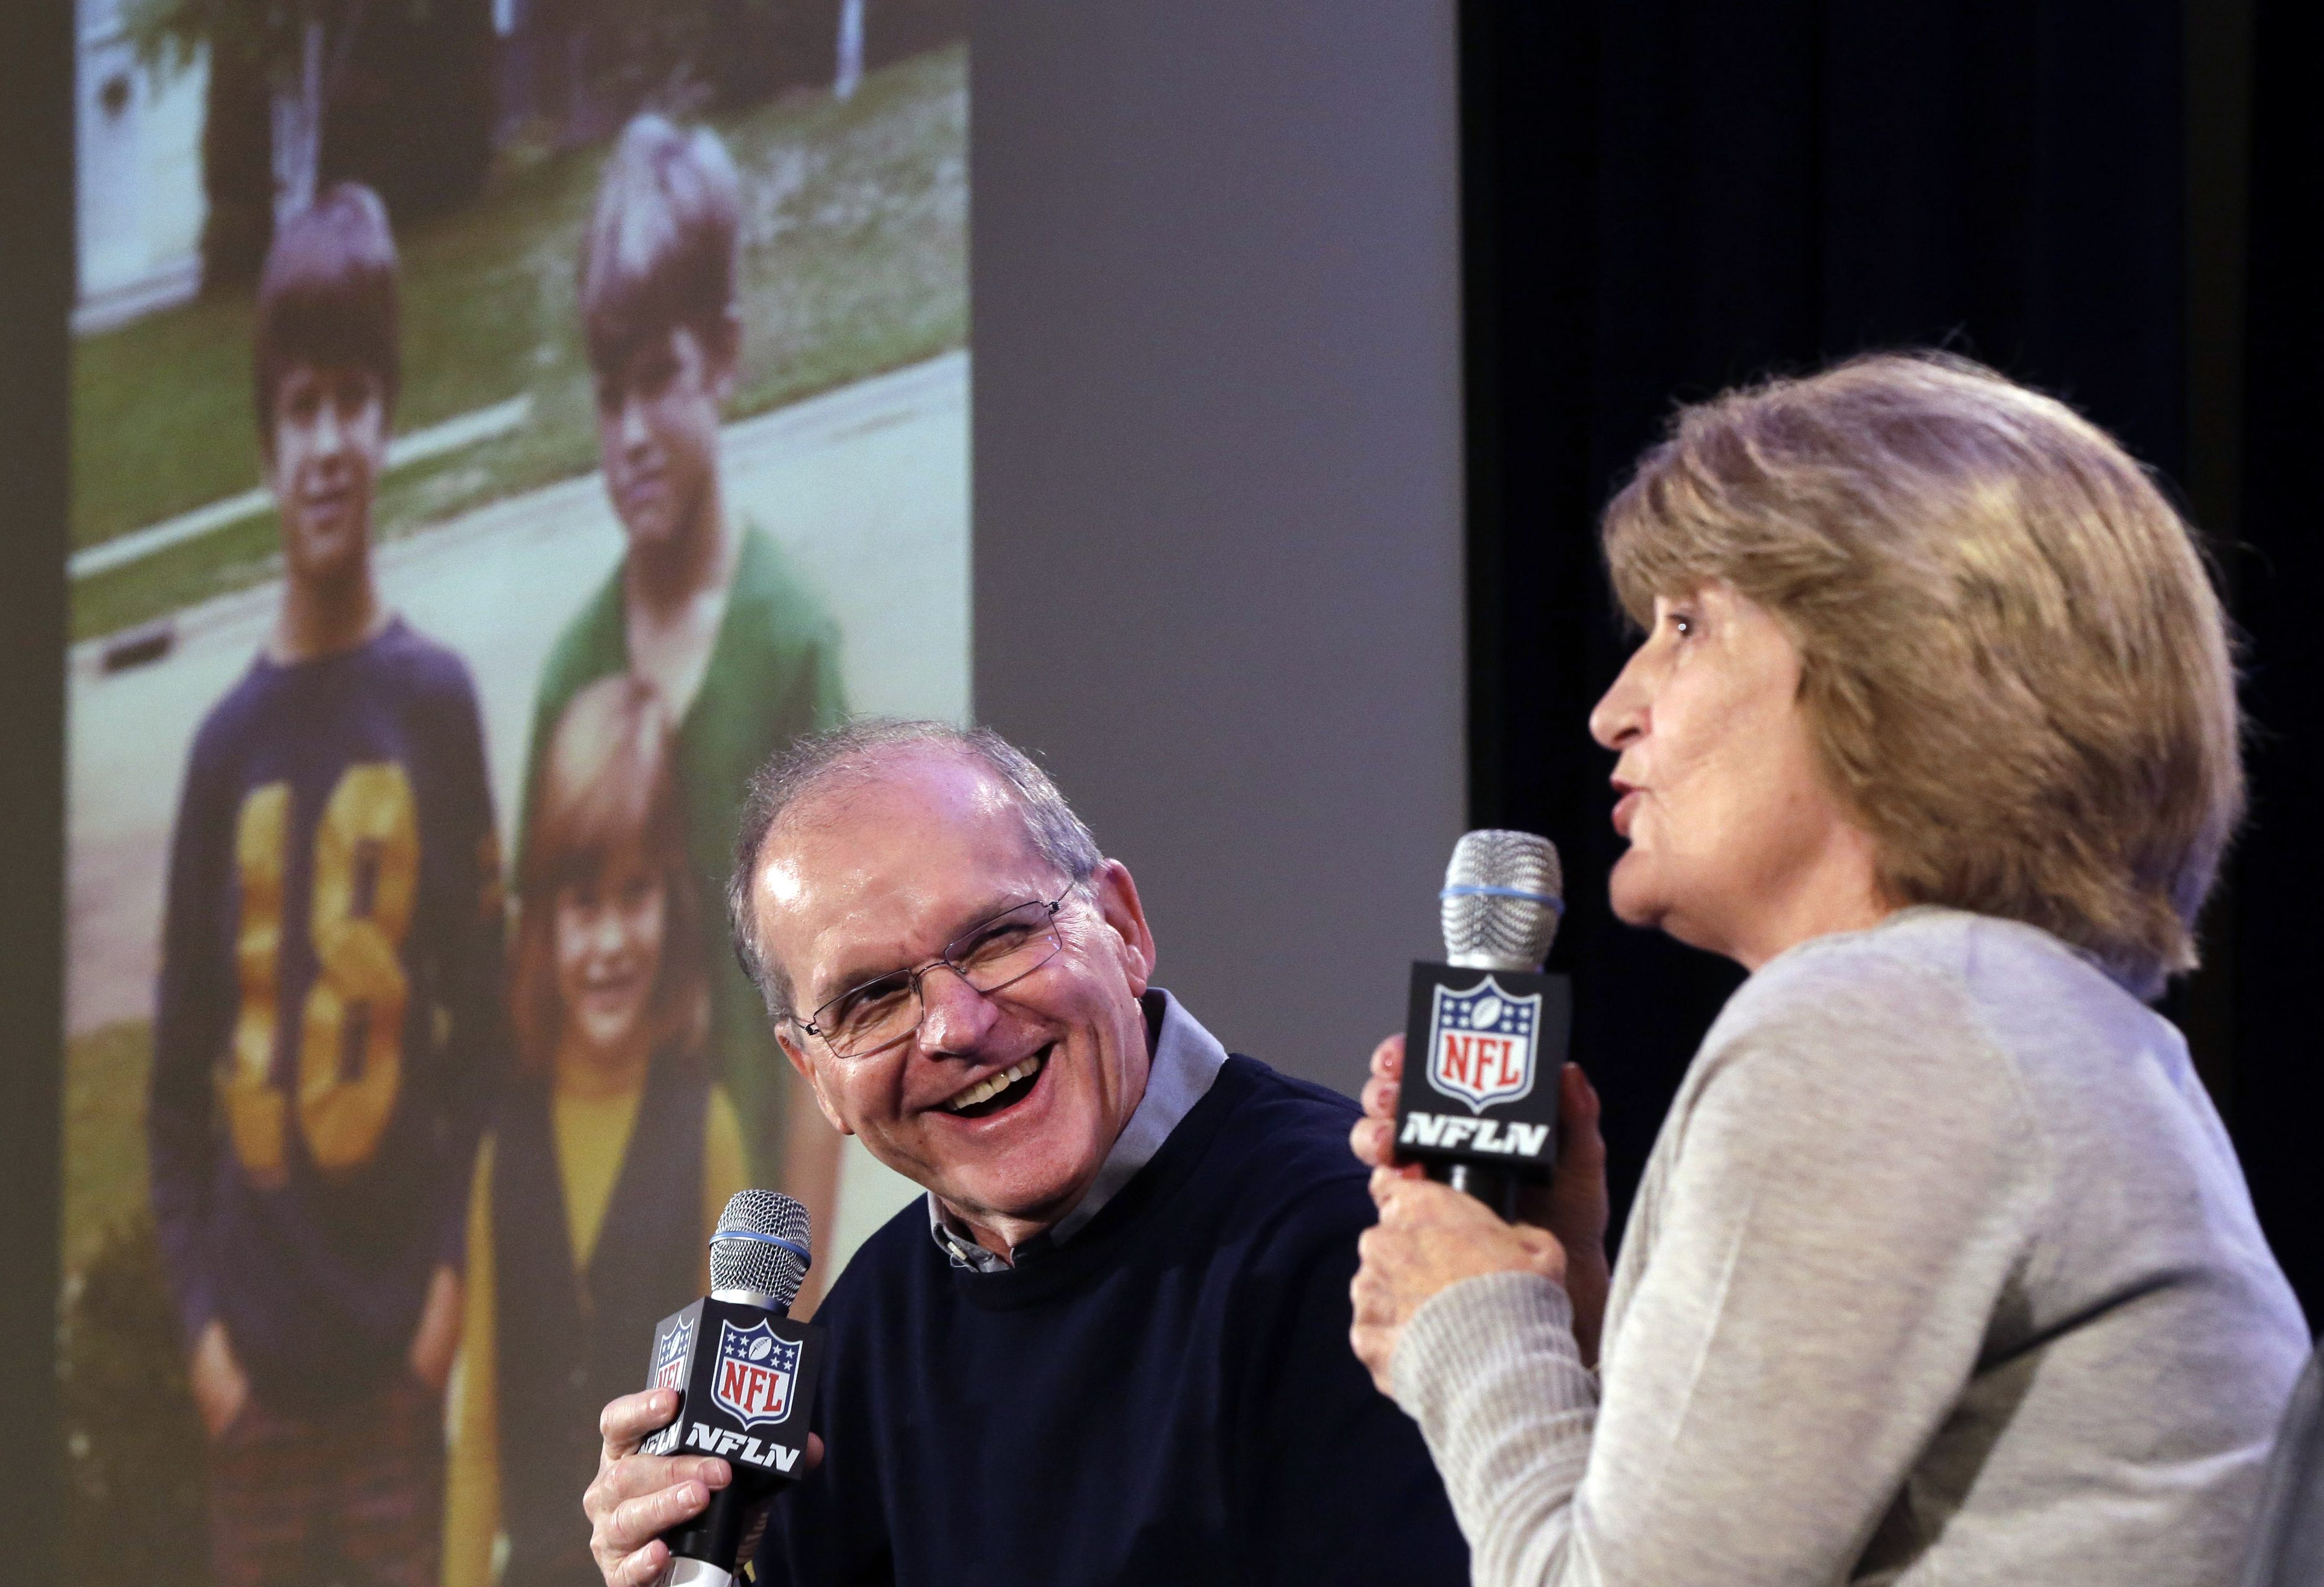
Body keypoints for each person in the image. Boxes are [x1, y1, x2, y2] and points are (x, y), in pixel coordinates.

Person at [1347, 351, 2311, 1585]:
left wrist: (1468, 1320)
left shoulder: (1885, 1021)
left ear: (1896, 666)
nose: (1611, 707)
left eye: (1685, 627)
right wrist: (1574, 1320)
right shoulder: (2005, 1017)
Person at [580, 721, 1470, 1586]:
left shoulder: (1357, 1242)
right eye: (873, 998)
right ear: (814, 1074)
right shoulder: (869, 1325)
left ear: (1122, 927)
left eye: (999, 938)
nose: (955, 1027)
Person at [146, 183, 507, 1587]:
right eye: (301, 408)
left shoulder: (432, 703)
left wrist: (441, 1307)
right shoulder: (223, 746)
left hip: (387, 1381)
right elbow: (177, 1091)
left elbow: (483, 1046)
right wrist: (205, 1341)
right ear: (265, 446)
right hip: (255, 1381)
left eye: (355, 401)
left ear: (388, 424)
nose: (328, 444)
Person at [517, 113, 848, 1270]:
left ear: (724, 355)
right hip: (596, 1246)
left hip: (747, 1244)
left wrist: (797, 1301)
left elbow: (836, 1007)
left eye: (659, 381)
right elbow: (535, 1006)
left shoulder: (789, 641)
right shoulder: (574, 666)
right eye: (609, 397)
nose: (633, 436)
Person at [444, 675, 750, 1587]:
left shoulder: (710, 1129)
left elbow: (736, 1431)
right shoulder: (507, 1146)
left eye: (635, 896)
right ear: (541, 925)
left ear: (674, 909)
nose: (611, 941)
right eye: (583, 906)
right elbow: (479, 1444)